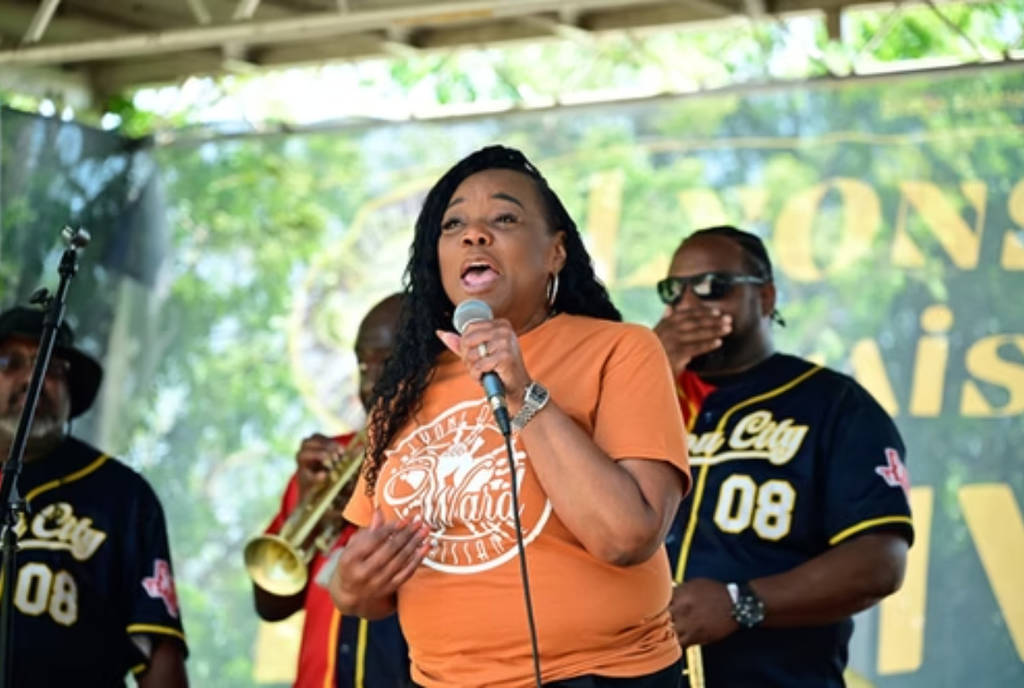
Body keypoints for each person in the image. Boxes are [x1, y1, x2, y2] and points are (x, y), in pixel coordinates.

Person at [329, 145, 691, 687]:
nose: (474, 234)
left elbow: (626, 537)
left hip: (601, 676)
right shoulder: (403, 394)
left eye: (504, 218)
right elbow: (372, 589)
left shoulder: (620, 350)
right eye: (453, 224)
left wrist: (524, 395)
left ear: (556, 253)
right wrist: (353, 587)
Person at [653, 225, 914, 687]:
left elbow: (879, 560)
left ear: (767, 298)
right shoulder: (642, 398)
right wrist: (648, 370)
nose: (689, 305)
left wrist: (742, 602)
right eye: (674, 292)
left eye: (714, 287)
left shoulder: (834, 405)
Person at [0, 305, 188, 687]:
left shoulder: (123, 496)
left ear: (72, 390)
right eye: (9, 362)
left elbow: (159, 654)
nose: (30, 378)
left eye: (49, 366)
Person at [252, 293, 412, 688]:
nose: (371, 382)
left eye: (387, 363)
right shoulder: (326, 464)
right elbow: (271, 604)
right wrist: (306, 510)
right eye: (362, 364)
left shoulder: (448, 461)